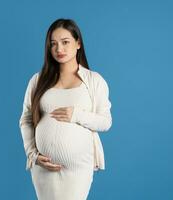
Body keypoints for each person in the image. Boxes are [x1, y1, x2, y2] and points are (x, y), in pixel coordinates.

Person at [19, 18, 112, 200]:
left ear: (78, 43)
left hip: (78, 168)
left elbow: (105, 122)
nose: (59, 49)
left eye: (65, 42)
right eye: (53, 44)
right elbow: (26, 119)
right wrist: (33, 155)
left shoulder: (94, 81)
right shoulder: (38, 80)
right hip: (43, 168)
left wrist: (76, 115)